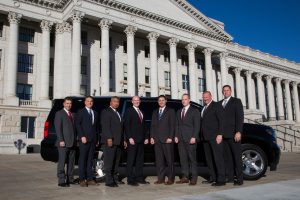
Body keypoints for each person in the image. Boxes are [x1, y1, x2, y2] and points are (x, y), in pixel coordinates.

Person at [200, 91, 226, 186]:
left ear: (211, 96)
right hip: (206, 138)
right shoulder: (203, 108)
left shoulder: (217, 105)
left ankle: (221, 179)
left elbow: (222, 121)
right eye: (204, 97)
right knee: (209, 159)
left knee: (218, 158)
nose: (205, 98)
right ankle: (212, 177)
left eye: (206, 97)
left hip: (215, 137)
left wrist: (220, 134)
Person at [220, 85, 244, 185]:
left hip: (234, 134)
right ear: (222, 92)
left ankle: (239, 179)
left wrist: (238, 131)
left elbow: (240, 117)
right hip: (224, 135)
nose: (226, 92)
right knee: (227, 158)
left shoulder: (236, 101)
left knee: (237, 157)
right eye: (224, 91)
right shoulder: (221, 103)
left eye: (227, 90)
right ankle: (229, 177)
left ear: (231, 91)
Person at [175, 94, 200, 185]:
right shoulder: (179, 111)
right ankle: (185, 176)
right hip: (181, 139)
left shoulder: (194, 111)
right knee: (183, 159)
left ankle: (194, 177)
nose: (184, 101)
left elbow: (197, 125)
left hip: (190, 138)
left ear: (189, 100)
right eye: (182, 99)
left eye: (185, 99)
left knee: (192, 159)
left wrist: (194, 137)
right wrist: (176, 136)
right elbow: (177, 125)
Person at [150, 95, 176, 185]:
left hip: (167, 139)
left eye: (162, 100)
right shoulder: (155, 111)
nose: (161, 102)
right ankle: (160, 178)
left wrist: (170, 137)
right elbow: (152, 125)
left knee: (169, 160)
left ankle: (170, 179)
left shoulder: (171, 111)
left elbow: (173, 125)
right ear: (158, 102)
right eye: (159, 100)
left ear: (166, 101)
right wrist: (152, 137)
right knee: (159, 161)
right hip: (157, 140)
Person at [101, 96, 126, 187]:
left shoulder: (118, 113)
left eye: (118, 102)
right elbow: (106, 126)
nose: (116, 103)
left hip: (118, 141)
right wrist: (109, 138)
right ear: (110, 102)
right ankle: (109, 181)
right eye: (114, 101)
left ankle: (115, 178)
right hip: (110, 141)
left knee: (116, 162)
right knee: (109, 162)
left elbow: (121, 129)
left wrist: (124, 140)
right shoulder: (106, 112)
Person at [124, 96, 149, 186]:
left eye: (138, 100)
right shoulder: (129, 111)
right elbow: (127, 125)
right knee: (131, 160)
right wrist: (129, 137)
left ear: (140, 101)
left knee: (139, 160)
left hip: (141, 140)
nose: (136, 102)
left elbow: (144, 126)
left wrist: (146, 137)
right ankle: (130, 179)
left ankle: (139, 177)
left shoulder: (142, 112)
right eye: (135, 100)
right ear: (132, 101)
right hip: (133, 140)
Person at [75, 96, 100, 187]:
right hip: (84, 140)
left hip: (93, 140)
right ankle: (82, 179)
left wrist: (97, 139)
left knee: (90, 160)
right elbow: (78, 124)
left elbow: (96, 128)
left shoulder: (95, 113)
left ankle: (90, 179)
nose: (90, 102)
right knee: (82, 159)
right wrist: (82, 136)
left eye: (91, 101)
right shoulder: (81, 112)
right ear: (85, 102)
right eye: (88, 101)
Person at [54, 97, 76, 187]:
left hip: (73, 142)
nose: (69, 105)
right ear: (64, 104)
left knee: (71, 163)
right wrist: (61, 140)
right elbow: (58, 128)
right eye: (67, 103)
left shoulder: (72, 114)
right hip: (63, 142)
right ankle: (61, 180)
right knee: (62, 162)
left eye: (70, 103)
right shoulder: (59, 113)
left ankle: (70, 179)